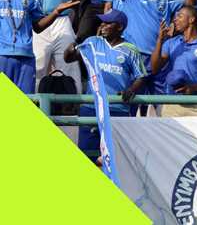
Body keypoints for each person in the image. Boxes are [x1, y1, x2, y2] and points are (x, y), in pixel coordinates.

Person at [63, 10, 147, 147]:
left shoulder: (130, 49)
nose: (103, 25)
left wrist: (131, 89)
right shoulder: (92, 42)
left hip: (117, 109)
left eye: (108, 23)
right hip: (91, 107)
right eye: (102, 22)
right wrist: (69, 50)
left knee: (116, 156)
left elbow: (141, 76)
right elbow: (69, 58)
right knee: (87, 153)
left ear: (119, 27)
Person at [150, 5, 197, 117]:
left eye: (180, 16)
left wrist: (194, 88)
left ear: (191, 20)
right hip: (172, 105)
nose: (175, 19)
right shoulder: (171, 43)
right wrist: (160, 39)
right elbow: (154, 68)